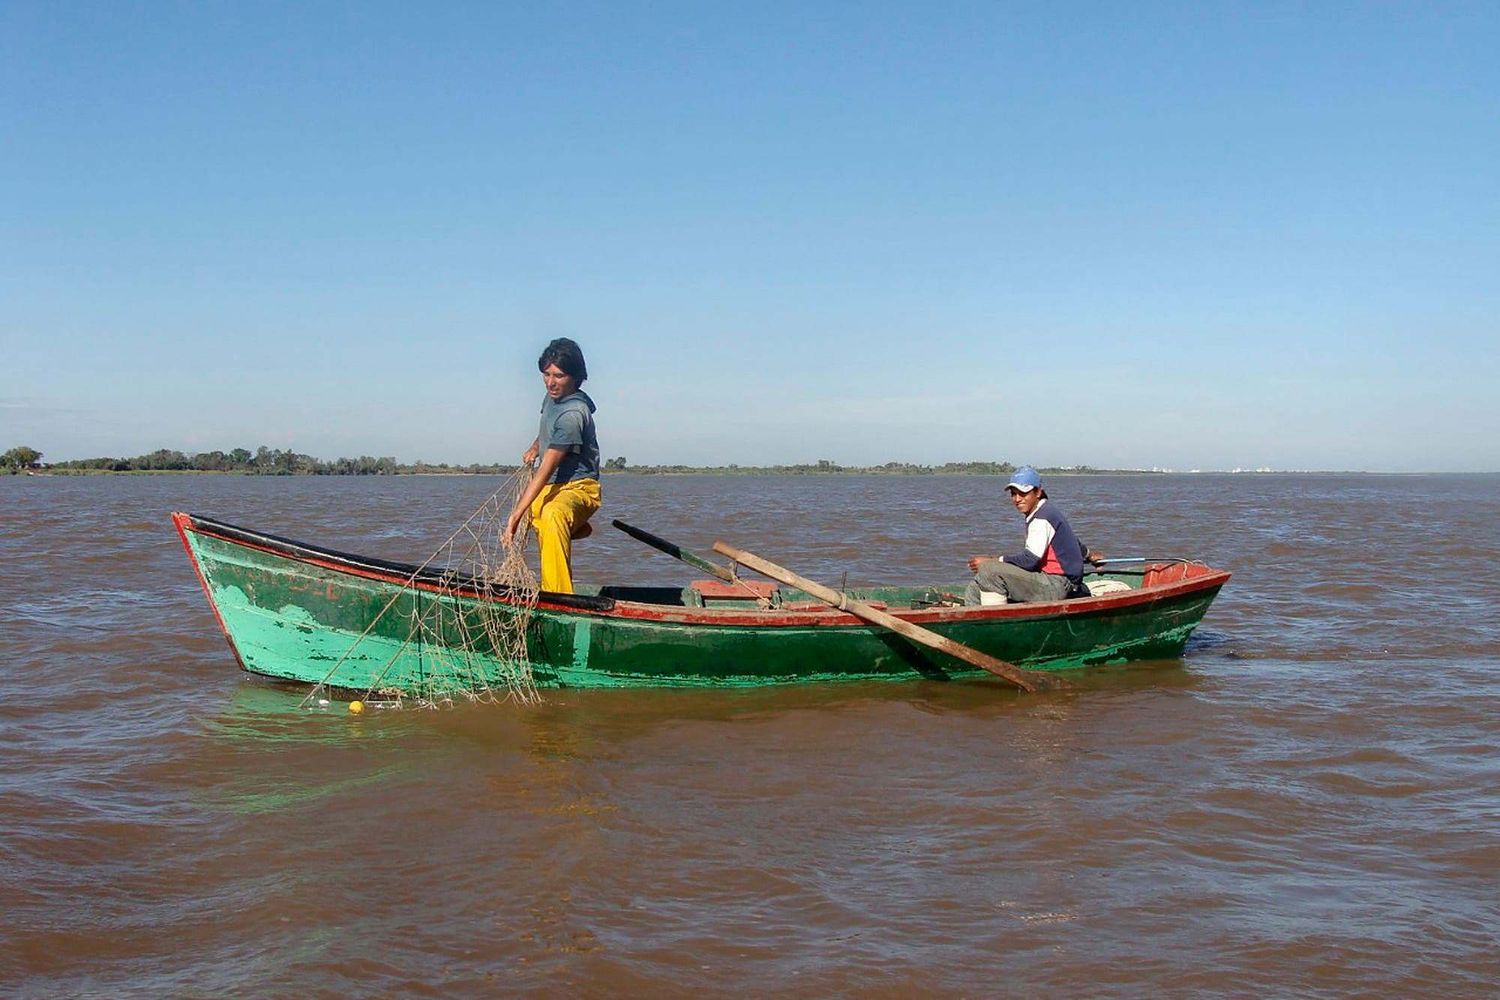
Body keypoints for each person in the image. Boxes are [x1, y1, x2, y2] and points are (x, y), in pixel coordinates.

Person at [502, 338, 601, 594]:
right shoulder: (551, 399)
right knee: (538, 509)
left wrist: (515, 514)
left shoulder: (573, 414)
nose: (550, 382)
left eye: (558, 375)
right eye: (546, 374)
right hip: (553, 485)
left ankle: (559, 598)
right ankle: (575, 528)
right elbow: (548, 430)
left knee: (551, 514)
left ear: (575, 376)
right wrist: (535, 446)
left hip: (579, 489)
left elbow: (547, 467)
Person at [964, 466, 1101, 605]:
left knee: (989, 570)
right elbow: (1073, 541)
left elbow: (1030, 560)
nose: (1017, 499)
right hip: (1053, 581)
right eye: (1013, 494)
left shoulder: (1042, 518)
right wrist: (1090, 555)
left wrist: (992, 561)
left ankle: (994, 622)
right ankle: (974, 620)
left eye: (1023, 493)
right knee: (975, 587)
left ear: (1038, 492)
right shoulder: (1048, 511)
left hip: (1057, 585)